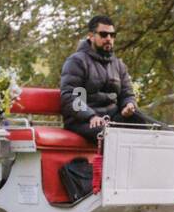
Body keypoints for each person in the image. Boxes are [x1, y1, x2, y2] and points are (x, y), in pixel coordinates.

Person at [59, 15, 151, 143]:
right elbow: (71, 98)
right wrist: (91, 116)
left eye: (112, 35)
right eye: (103, 34)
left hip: (111, 119)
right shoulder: (77, 61)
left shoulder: (118, 65)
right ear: (91, 36)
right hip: (82, 121)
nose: (109, 38)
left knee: (139, 122)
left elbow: (127, 94)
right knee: (108, 133)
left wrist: (128, 106)